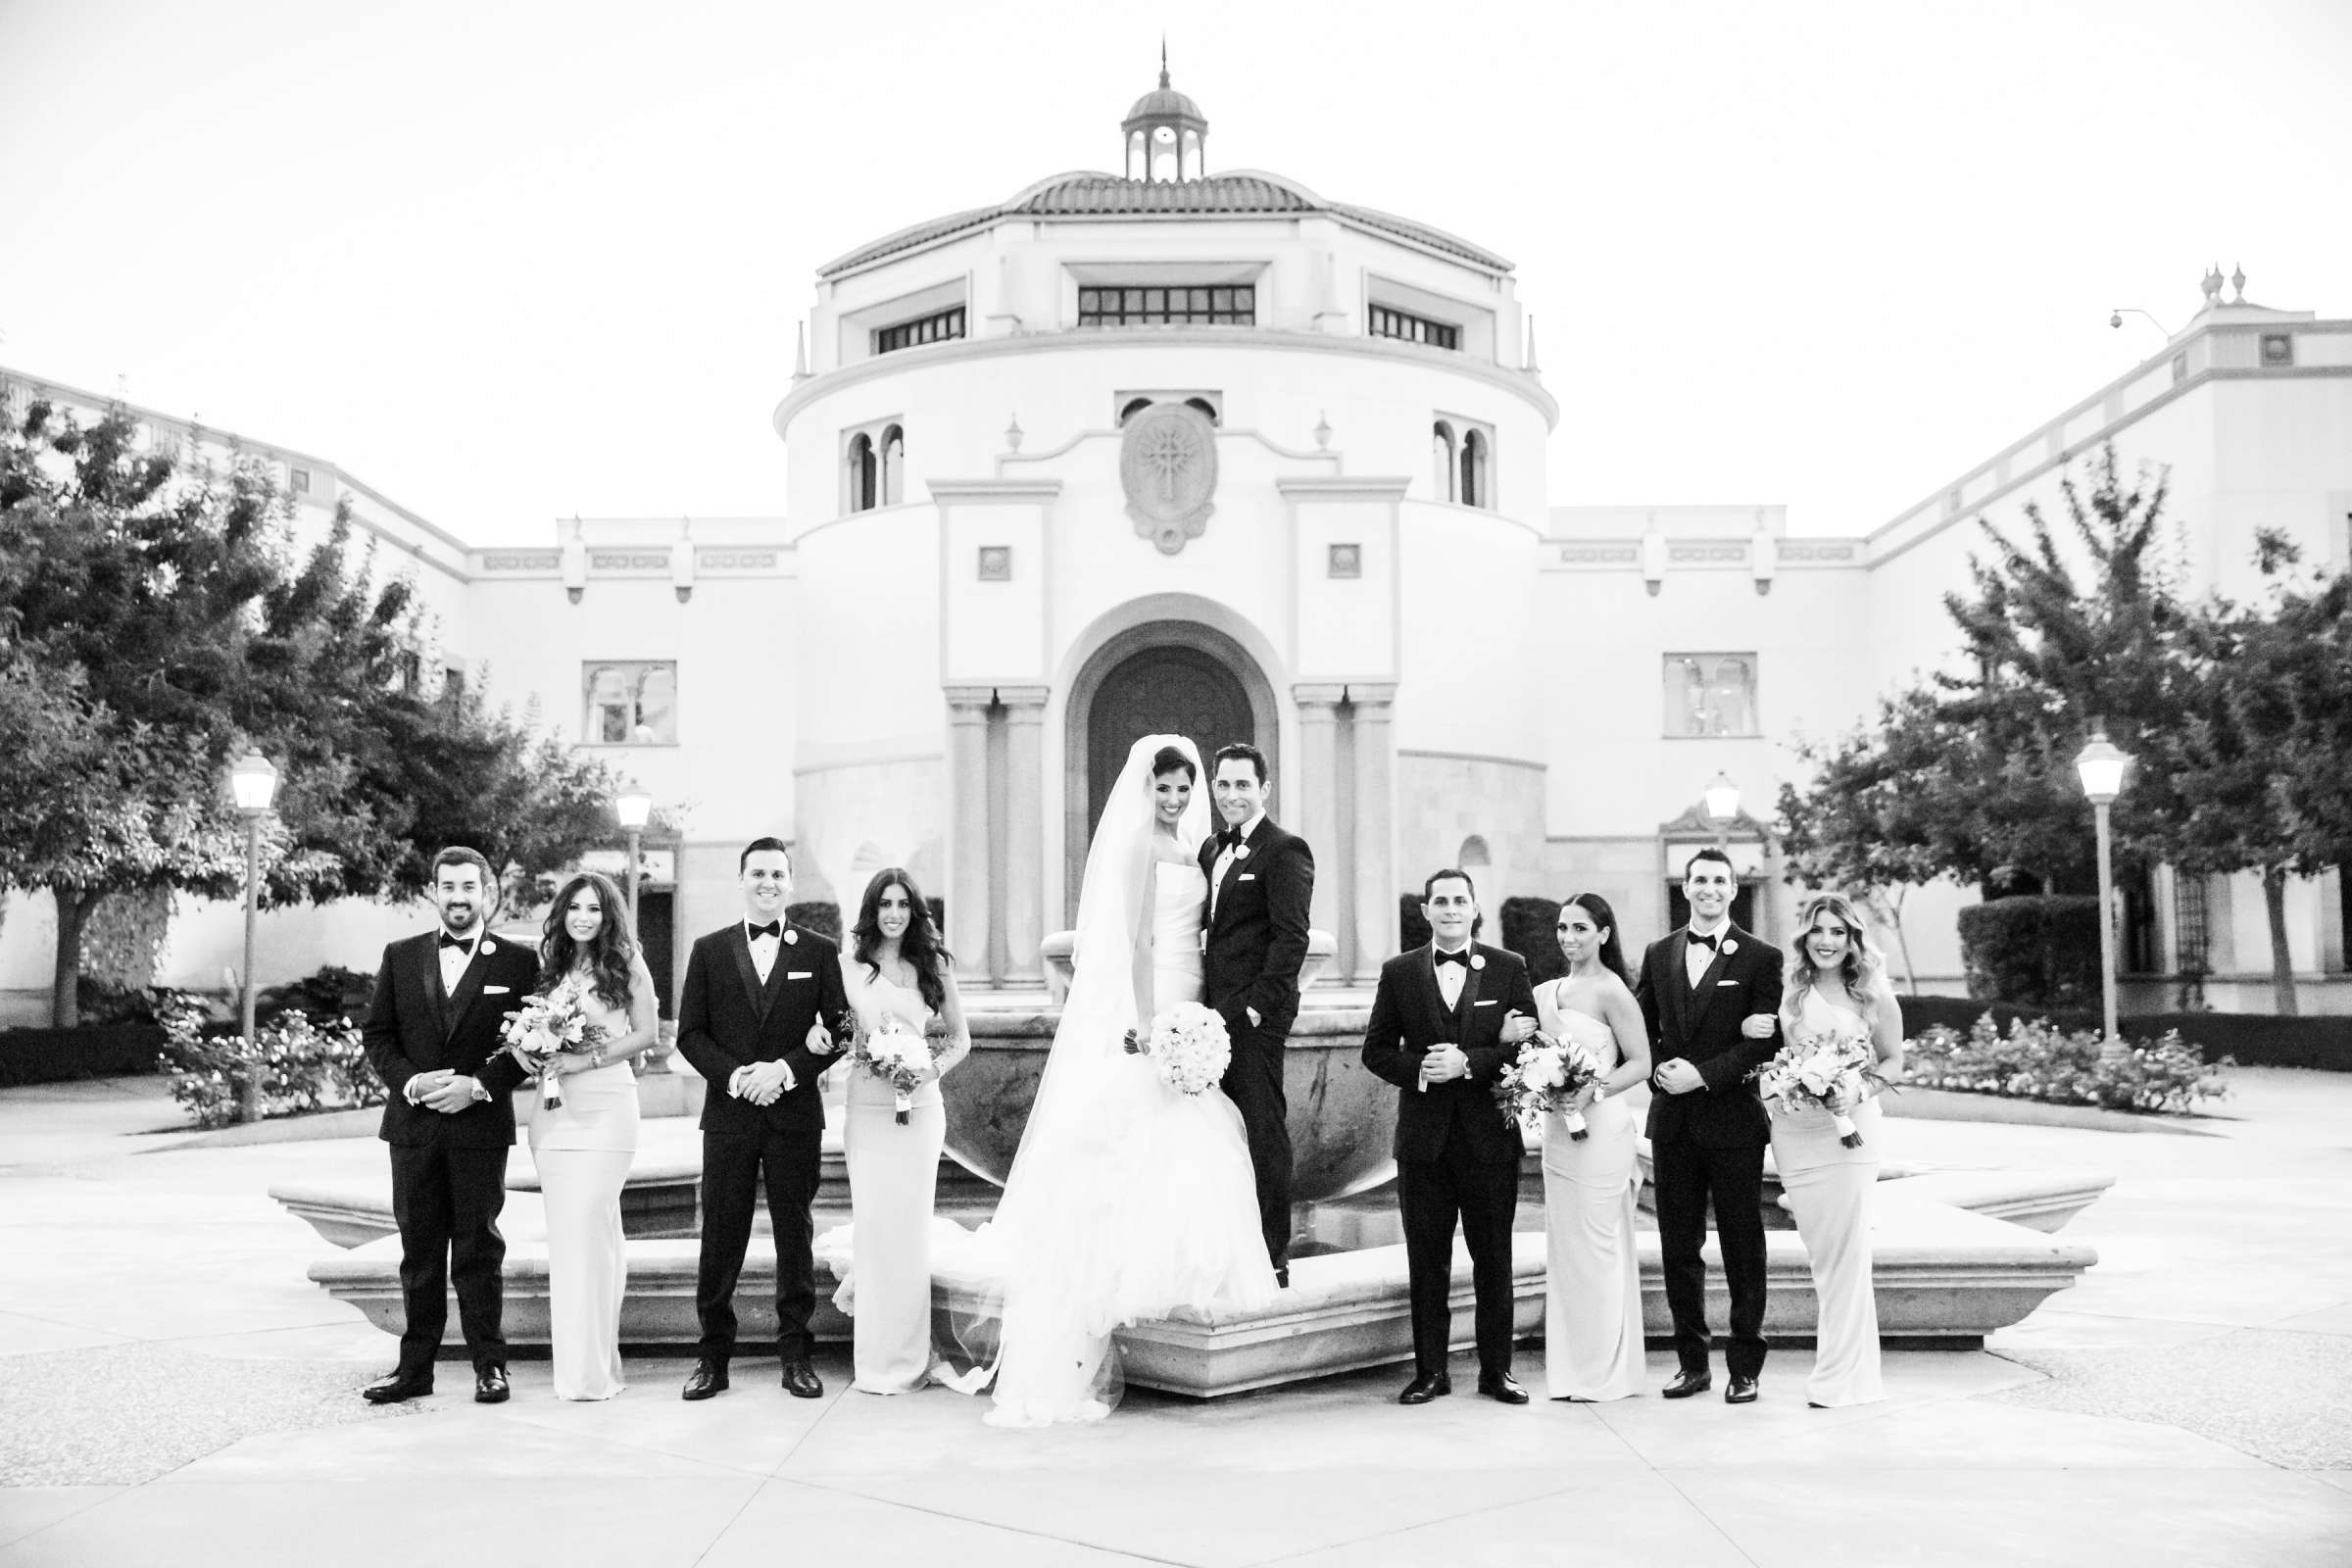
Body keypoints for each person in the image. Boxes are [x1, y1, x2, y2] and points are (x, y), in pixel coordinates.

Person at [981, 735, 1276, 1427]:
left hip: (1195, 992)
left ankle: (1186, 1271)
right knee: (1139, 1131)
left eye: (1182, 788)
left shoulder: (1203, 849)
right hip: (1155, 996)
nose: (1174, 799)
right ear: (1146, 790)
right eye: (1163, 789)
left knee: (1194, 1132)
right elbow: (1139, 941)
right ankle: (1126, 1281)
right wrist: (1149, 1021)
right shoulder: (1142, 848)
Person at [357, 846, 539, 1405]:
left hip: (479, 1127)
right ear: (432, 892)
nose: (459, 897)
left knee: (480, 1251)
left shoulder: (517, 962)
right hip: (412, 1128)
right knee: (419, 1251)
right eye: (448, 887)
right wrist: (412, 1083)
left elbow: (532, 1042)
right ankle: (415, 1369)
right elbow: (378, 1037)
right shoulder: (401, 955)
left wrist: (478, 1085)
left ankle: (491, 1364)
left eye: (469, 886)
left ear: (487, 891)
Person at [673, 838, 850, 1401]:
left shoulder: (819, 952)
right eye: (757, 873)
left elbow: (840, 1031)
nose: (767, 882)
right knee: (721, 1235)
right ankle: (711, 1358)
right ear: (741, 879)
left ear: (791, 883)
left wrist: (787, 1070)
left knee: (793, 1234)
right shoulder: (708, 950)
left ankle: (797, 1353)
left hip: (795, 1116)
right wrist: (738, 1076)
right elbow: (690, 1035)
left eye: (777, 873)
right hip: (728, 1116)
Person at [1361, 868, 1539, 1405]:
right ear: (1426, 910)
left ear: (1475, 908)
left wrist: (1470, 1062)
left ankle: (1497, 1373)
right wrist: (1421, 1068)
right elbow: (1376, 1050)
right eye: (1441, 901)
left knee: (1494, 1260)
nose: (1451, 909)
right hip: (1423, 1144)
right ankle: (1430, 1372)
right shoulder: (1399, 973)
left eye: (1460, 900)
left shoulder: (1510, 969)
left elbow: (1530, 1048)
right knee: (1427, 1261)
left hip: (1489, 1142)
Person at [1636, 847, 1785, 1405]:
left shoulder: (1760, 957)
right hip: (1672, 1124)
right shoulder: (1659, 952)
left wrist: (1701, 1076)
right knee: (1679, 1246)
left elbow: (1765, 1038)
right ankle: (1691, 1363)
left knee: (1744, 1246)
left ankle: (1745, 1366)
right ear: (1685, 886)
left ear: (1733, 888)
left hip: (1734, 1123)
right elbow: (1641, 1030)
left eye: (1720, 881)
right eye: (1700, 880)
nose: (1709, 889)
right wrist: (1658, 1075)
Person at [519, 871, 657, 1401]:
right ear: (563, 912)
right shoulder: (548, 965)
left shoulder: (627, 963)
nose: (583, 916)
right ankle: (586, 1367)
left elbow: (645, 1033)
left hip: (606, 1108)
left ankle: (593, 1370)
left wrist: (586, 1057)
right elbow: (526, 1033)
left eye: (594, 909)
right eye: (574, 906)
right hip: (552, 1113)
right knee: (576, 1237)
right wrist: (525, 1048)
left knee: (590, 1223)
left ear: (609, 916)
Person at [833, 867, 970, 1394]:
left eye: (903, 904)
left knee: (909, 1233)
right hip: (867, 1109)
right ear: (872, 910)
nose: (894, 913)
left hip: (921, 1112)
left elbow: (960, 1039)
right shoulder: (849, 966)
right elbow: (844, 1029)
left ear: (915, 911)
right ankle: (874, 1360)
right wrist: (853, 1046)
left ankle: (909, 1359)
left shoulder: (931, 965)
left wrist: (926, 1069)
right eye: (885, 904)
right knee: (874, 1229)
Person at [1775, 892, 1904, 1409]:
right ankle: (1839, 1367)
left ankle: (1844, 1377)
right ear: (1805, 938)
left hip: (1851, 1134)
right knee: (1822, 1252)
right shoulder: (1788, 992)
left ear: (1852, 940)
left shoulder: (1874, 994)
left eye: (1838, 932)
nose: (1827, 941)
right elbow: (1778, 1054)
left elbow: (1893, 1061)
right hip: (1795, 1133)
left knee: (1848, 1253)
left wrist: (1860, 1089)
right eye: (1818, 931)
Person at [1198, 742, 1314, 1285]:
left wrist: (1251, 1011)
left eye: (1243, 784)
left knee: (1262, 1129)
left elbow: (1291, 940)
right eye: (1224, 784)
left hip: (1252, 1020)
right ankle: (1223, 1244)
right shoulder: (1210, 849)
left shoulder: (1285, 849)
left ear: (1264, 788)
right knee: (1212, 1135)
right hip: (1205, 1019)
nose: (1232, 794)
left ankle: (1272, 1254)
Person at [1535, 894, 1651, 1402]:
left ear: (1604, 933)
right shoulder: (1547, 991)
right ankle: (1572, 1369)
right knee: (1566, 1251)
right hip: (1557, 1131)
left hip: (1601, 1130)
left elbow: (1642, 1062)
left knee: (1598, 1248)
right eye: (1563, 928)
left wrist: (1593, 1089)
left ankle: (1604, 1372)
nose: (1569, 937)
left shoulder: (1613, 991)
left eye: (1580, 928)